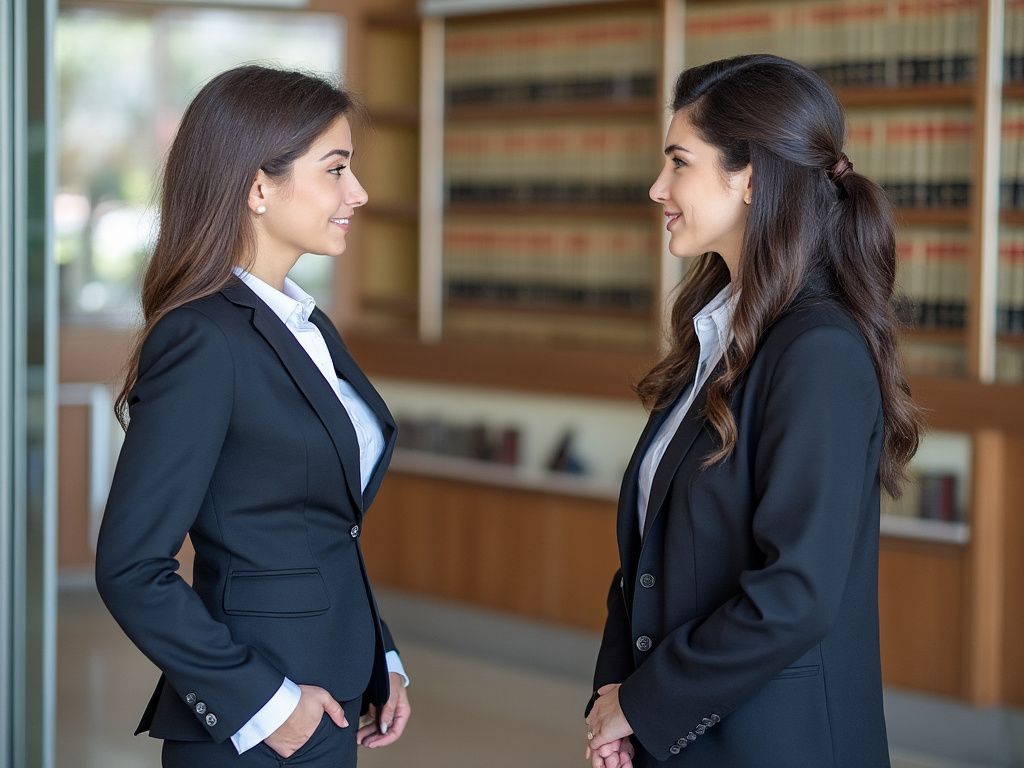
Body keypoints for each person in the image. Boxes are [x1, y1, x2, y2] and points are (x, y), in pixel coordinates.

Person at [584, 54, 923, 768]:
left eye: (679, 162)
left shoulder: (818, 350)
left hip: (773, 743)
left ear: (750, 178)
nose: (657, 187)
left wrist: (644, 704)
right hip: (686, 730)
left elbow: (796, 592)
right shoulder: (718, 333)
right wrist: (619, 696)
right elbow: (650, 552)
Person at [95, 65, 410, 767]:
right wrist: (266, 704)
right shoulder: (202, 338)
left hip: (331, 691)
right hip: (263, 718)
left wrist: (378, 653)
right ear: (258, 188)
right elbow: (131, 565)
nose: (358, 192)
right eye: (336, 169)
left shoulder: (306, 324)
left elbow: (317, 525)